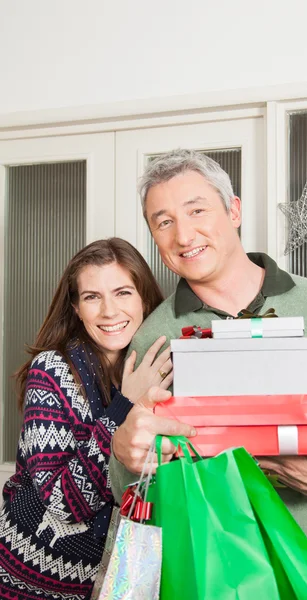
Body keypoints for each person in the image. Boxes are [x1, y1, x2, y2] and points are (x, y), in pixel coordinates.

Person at [109, 149, 307, 592]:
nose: (184, 234)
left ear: (234, 210)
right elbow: (130, 488)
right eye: (163, 221)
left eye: (197, 210)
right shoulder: (155, 338)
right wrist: (125, 452)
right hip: (206, 584)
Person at [0, 237, 178, 600]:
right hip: (36, 581)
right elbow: (62, 503)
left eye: (122, 292)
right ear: (77, 308)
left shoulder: (163, 368)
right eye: (92, 297)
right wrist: (127, 403)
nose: (109, 311)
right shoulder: (52, 371)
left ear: (144, 297)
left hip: (124, 579)